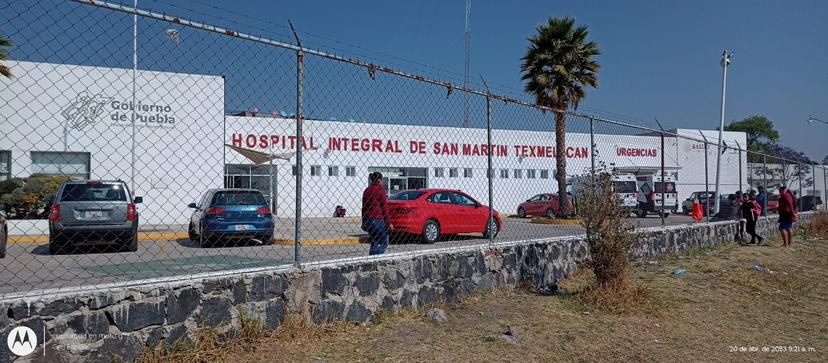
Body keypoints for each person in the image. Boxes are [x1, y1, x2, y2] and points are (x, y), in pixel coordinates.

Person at [362, 172, 390, 255]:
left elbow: (364, 207)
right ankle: (378, 257)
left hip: (368, 219)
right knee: (384, 242)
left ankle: (372, 259)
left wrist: (364, 221)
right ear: (378, 180)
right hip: (378, 219)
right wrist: (388, 223)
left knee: (374, 241)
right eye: (382, 180)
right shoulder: (380, 190)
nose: (382, 182)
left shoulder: (367, 190)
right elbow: (385, 209)